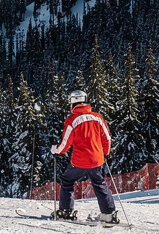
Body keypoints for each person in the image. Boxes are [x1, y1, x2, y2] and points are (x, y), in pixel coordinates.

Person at [48, 89, 118, 223]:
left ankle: (66, 211)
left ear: (72, 103)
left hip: (79, 161)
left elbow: (65, 144)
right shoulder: (98, 117)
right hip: (97, 159)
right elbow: (107, 138)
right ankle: (108, 213)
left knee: (67, 181)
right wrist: (105, 152)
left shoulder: (71, 120)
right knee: (99, 183)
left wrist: (56, 150)